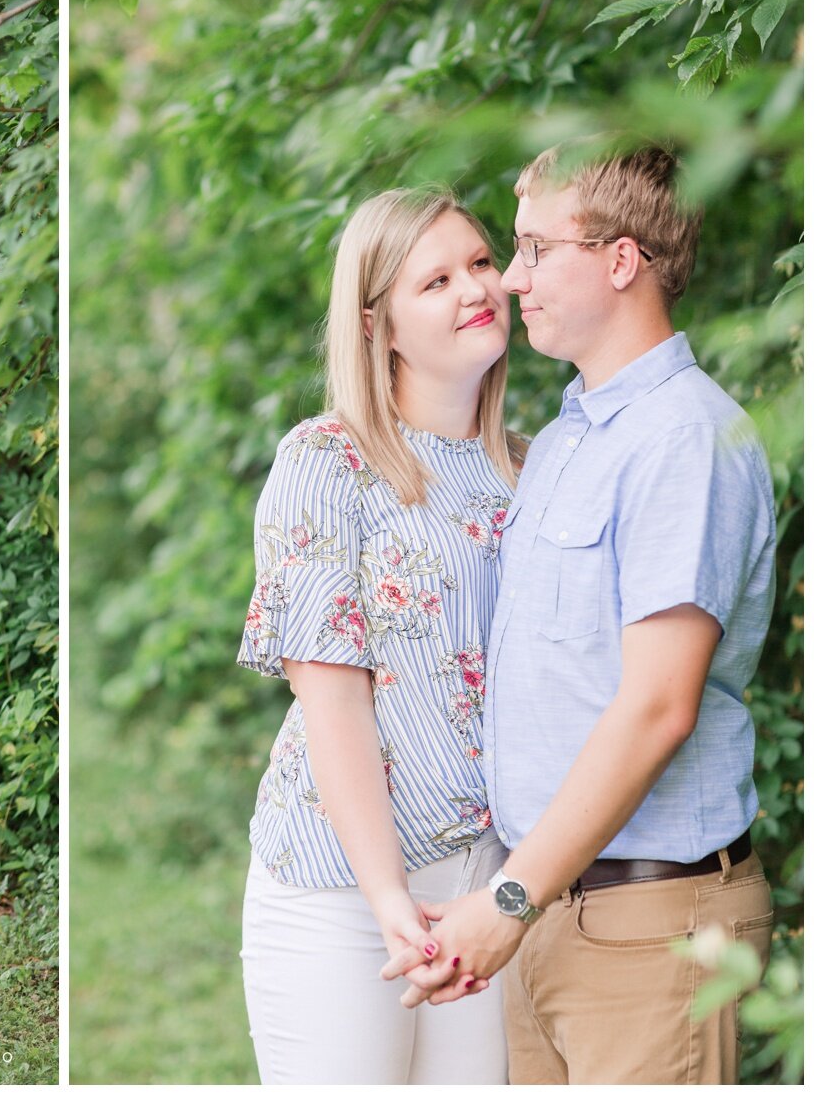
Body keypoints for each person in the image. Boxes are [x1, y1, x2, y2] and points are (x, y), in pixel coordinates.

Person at [381, 143, 777, 1085]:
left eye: (531, 249)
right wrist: (516, 899)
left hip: (649, 930)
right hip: (552, 911)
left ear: (620, 260)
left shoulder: (685, 438)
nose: (510, 279)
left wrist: (508, 897)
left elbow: (658, 706)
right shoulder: (563, 441)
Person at [237, 188, 526, 1083]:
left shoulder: (534, 466)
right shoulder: (328, 462)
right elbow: (334, 705)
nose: (473, 288)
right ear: (381, 326)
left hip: (488, 889)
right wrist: (389, 898)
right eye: (434, 280)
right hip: (342, 887)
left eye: (480, 263)